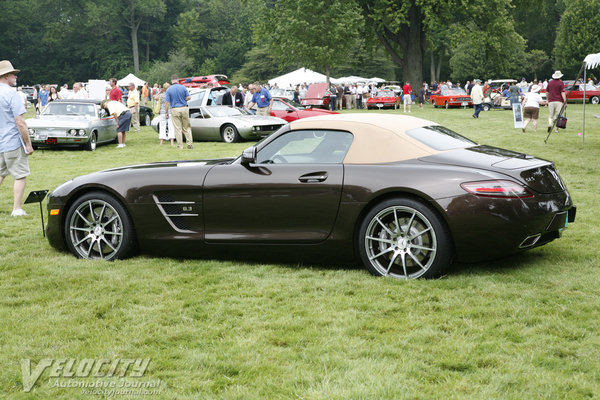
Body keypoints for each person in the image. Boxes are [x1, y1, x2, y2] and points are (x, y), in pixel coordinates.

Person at [0, 60, 34, 216]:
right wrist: (28, 144)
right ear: (6, 76)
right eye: (14, 74)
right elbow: (20, 122)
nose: (16, 77)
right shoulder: (11, 93)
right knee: (20, 175)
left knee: (0, 174)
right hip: (12, 141)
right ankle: (17, 209)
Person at [165, 74, 193, 149]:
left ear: (171, 81)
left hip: (175, 109)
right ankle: (189, 144)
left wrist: (166, 112)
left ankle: (180, 146)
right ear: (178, 80)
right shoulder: (183, 87)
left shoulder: (169, 89)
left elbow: (167, 103)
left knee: (178, 128)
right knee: (186, 127)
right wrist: (184, 100)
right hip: (184, 108)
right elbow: (189, 97)